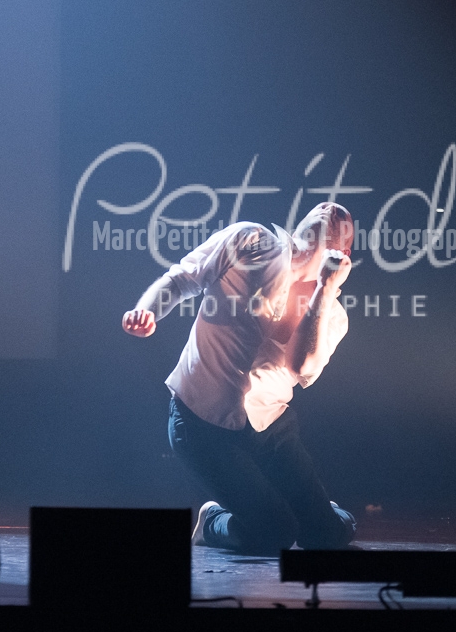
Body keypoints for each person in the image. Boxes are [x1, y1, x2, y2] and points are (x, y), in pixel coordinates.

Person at [122, 202, 358, 554]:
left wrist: (325, 289)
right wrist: (148, 310)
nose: (331, 207)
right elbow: (181, 278)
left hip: (272, 430)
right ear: (300, 223)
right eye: (323, 205)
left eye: (342, 216)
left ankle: (324, 514)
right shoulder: (249, 240)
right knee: (274, 533)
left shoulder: (334, 316)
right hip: (201, 424)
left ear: (344, 252)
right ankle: (212, 520)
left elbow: (301, 365)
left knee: (325, 537)